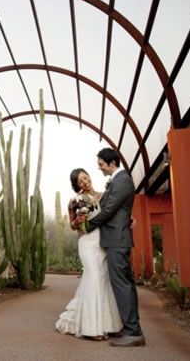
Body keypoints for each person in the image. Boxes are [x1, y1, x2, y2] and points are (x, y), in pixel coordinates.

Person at [85, 148, 146, 347]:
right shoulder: (118, 181)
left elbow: (110, 208)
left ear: (112, 163)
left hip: (117, 240)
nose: (99, 167)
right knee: (123, 283)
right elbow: (115, 208)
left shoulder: (123, 181)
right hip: (116, 238)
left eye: (101, 164)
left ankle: (133, 332)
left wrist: (89, 225)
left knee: (122, 284)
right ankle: (130, 328)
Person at [55, 168, 123, 340]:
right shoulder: (74, 201)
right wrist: (78, 220)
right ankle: (90, 329)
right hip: (87, 242)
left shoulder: (103, 196)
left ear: (89, 176)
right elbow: (72, 225)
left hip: (102, 243)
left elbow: (113, 215)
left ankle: (108, 325)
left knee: (103, 281)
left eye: (85, 178)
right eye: (80, 182)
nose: (85, 182)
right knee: (93, 279)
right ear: (77, 186)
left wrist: (129, 221)